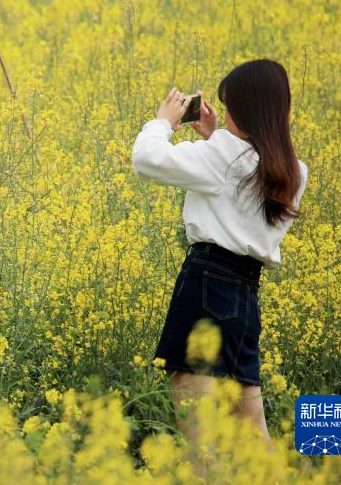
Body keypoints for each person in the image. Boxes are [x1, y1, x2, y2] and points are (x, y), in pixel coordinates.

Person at [131, 59, 308, 454]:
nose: (223, 113)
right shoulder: (294, 171)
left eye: (228, 106)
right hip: (246, 302)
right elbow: (240, 176)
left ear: (243, 110)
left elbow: (146, 160)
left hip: (206, 289)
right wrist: (215, 136)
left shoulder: (224, 156)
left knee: (200, 439)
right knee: (253, 439)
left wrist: (163, 123)